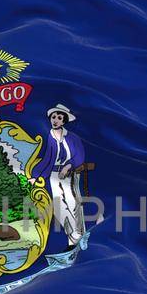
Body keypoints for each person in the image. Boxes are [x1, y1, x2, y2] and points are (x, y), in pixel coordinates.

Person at [35, 103, 85, 247]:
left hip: (71, 173)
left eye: (59, 117)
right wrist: (36, 176)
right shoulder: (50, 136)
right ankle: (75, 235)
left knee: (73, 203)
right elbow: (48, 159)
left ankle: (76, 237)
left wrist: (68, 166)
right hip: (54, 174)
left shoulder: (73, 137)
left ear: (64, 121)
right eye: (53, 117)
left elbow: (79, 156)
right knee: (58, 206)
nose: (55, 120)